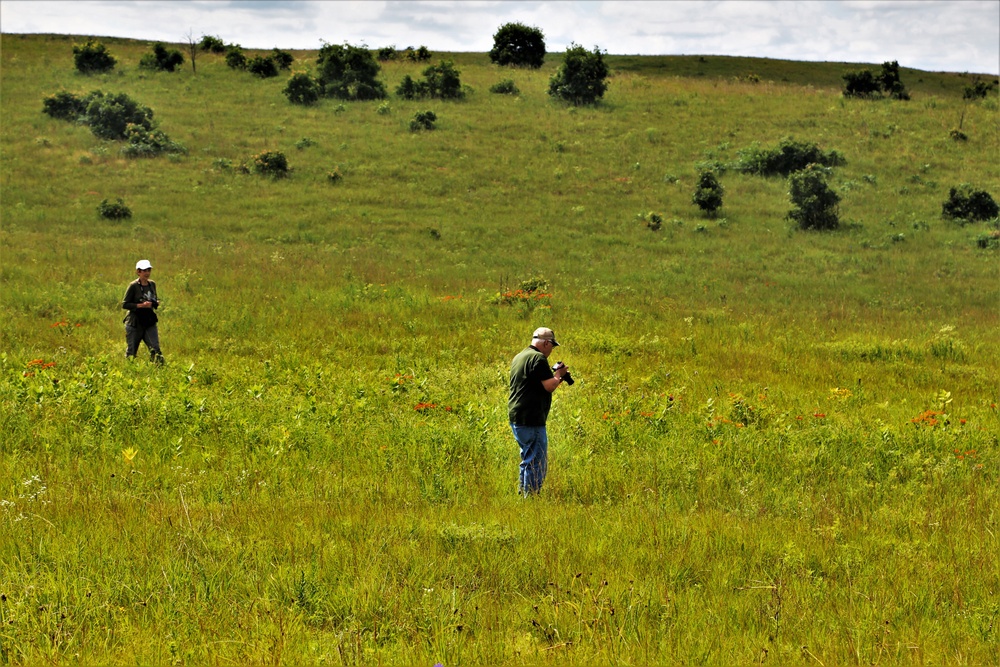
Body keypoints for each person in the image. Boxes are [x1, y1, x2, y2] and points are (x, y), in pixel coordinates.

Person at [508, 327, 570, 496]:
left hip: (517, 418)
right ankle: (532, 497)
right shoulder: (538, 358)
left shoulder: (520, 356)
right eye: (552, 346)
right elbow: (549, 386)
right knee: (537, 462)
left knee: (527, 459)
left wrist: (557, 378)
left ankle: (524, 493)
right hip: (531, 418)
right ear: (546, 343)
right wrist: (559, 374)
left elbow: (538, 384)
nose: (551, 350)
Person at [121, 259, 164, 363]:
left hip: (149, 321)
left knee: (155, 349)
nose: (147, 273)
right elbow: (125, 304)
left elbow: (153, 299)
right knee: (132, 352)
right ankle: (130, 371)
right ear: (138, 272)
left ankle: (159, 370)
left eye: (149, 270)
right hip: (135, 323)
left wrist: (155, 303)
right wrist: (141, 305)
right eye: (144, 270)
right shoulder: (133, 286)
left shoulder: (152, 284)